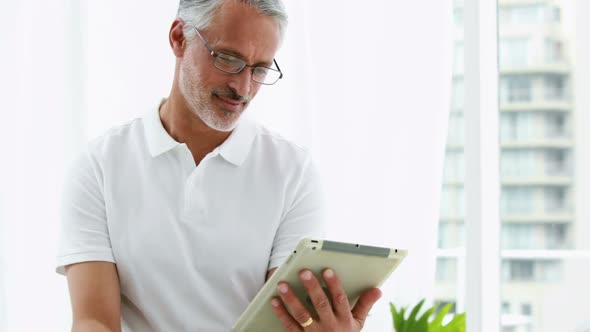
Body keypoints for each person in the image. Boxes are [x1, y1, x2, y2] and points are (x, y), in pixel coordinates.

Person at [56, 0, 381, 331]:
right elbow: (94, 320)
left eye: (260, 69)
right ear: (179, 37)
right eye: (228, 59)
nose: (242, 88)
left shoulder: (292, 172)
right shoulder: (99, 166)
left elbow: (285, 323)